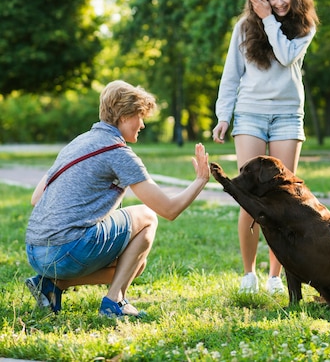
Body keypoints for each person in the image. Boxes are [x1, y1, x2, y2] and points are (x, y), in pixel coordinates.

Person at [25, 80, 210, 318]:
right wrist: (200, 181)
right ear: (123, 116)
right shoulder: (118, 153)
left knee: (135, 266)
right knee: (147, 217)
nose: (142, 124)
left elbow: (36, 198)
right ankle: (115, 302)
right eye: (139, 116)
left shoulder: (77, 142)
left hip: (37, 252)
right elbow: (169, 210)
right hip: (67, 251)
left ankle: (52, 285)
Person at [212, 0, 318, 294]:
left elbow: (285, 57)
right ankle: (248, 274)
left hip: (287, 115)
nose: (280, 2)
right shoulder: (245, 27)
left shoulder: (303, 26)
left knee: (282, 196)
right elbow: (231, 74)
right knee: (250, 195)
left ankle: (275, 276)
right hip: (250, 114)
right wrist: (223, 116)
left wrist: (270, 19)